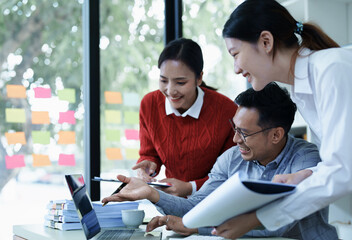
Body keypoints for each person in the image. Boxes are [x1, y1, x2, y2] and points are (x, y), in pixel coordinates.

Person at [102, 83, 338, 239]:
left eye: (244, 133)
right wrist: (151, 193)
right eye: (234, 128)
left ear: (276, 135)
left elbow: (277, 224)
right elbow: (198, 207)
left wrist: (196, 226)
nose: (235, 139)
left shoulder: (306, 158)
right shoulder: (231, 159)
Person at [214, 0, 352, 238]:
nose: (236, 68)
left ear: (266, 42)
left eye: (236, 54)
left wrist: (257, 218)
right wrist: (305, 175)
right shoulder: (303, 91)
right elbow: (341, 160)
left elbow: (342, 171)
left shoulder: (331, 70)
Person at [132, 38, 238, 197]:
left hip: (215, 199)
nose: (170, 90)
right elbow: (150, 153)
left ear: (199, 78)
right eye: (163, 80)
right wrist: (146, 166)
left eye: (180, 82)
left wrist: (190, 187)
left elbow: (231, 171)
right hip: (172, 200)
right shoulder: (150, 105)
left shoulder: (227, 110)